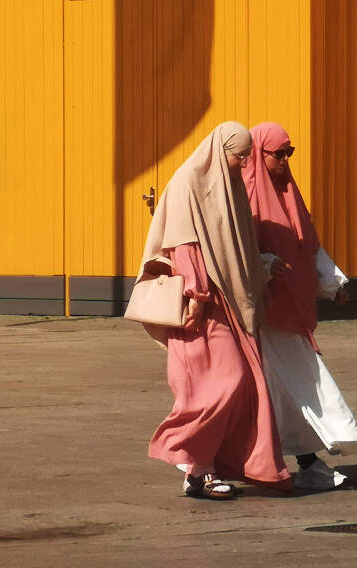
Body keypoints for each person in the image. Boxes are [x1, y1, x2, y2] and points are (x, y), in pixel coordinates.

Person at [134, 121, 293, 499]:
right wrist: (198, 294)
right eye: (238, 156)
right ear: (220, 151)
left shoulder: (229, 186)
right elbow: (184, 245)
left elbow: (235, 247)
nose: (243, 163)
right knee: (222, 383)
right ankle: (186, 453)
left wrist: (264, 266)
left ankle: (204, 470)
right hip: (200, 307)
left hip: (228, 305)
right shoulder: (188, 182)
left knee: (240, 385)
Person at [244, 122, 357, 490]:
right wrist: (265, 264)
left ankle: (307, 459)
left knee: (294, 386)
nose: (283, 161)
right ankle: (209, 465)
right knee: (266, 391)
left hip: (288, 314)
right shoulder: (245, 194)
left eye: (288, 153)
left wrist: (332, 284)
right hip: (259, 314)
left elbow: (307, 243)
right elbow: (236, 247)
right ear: (258, 154)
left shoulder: (288, 194)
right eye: (277, 153)